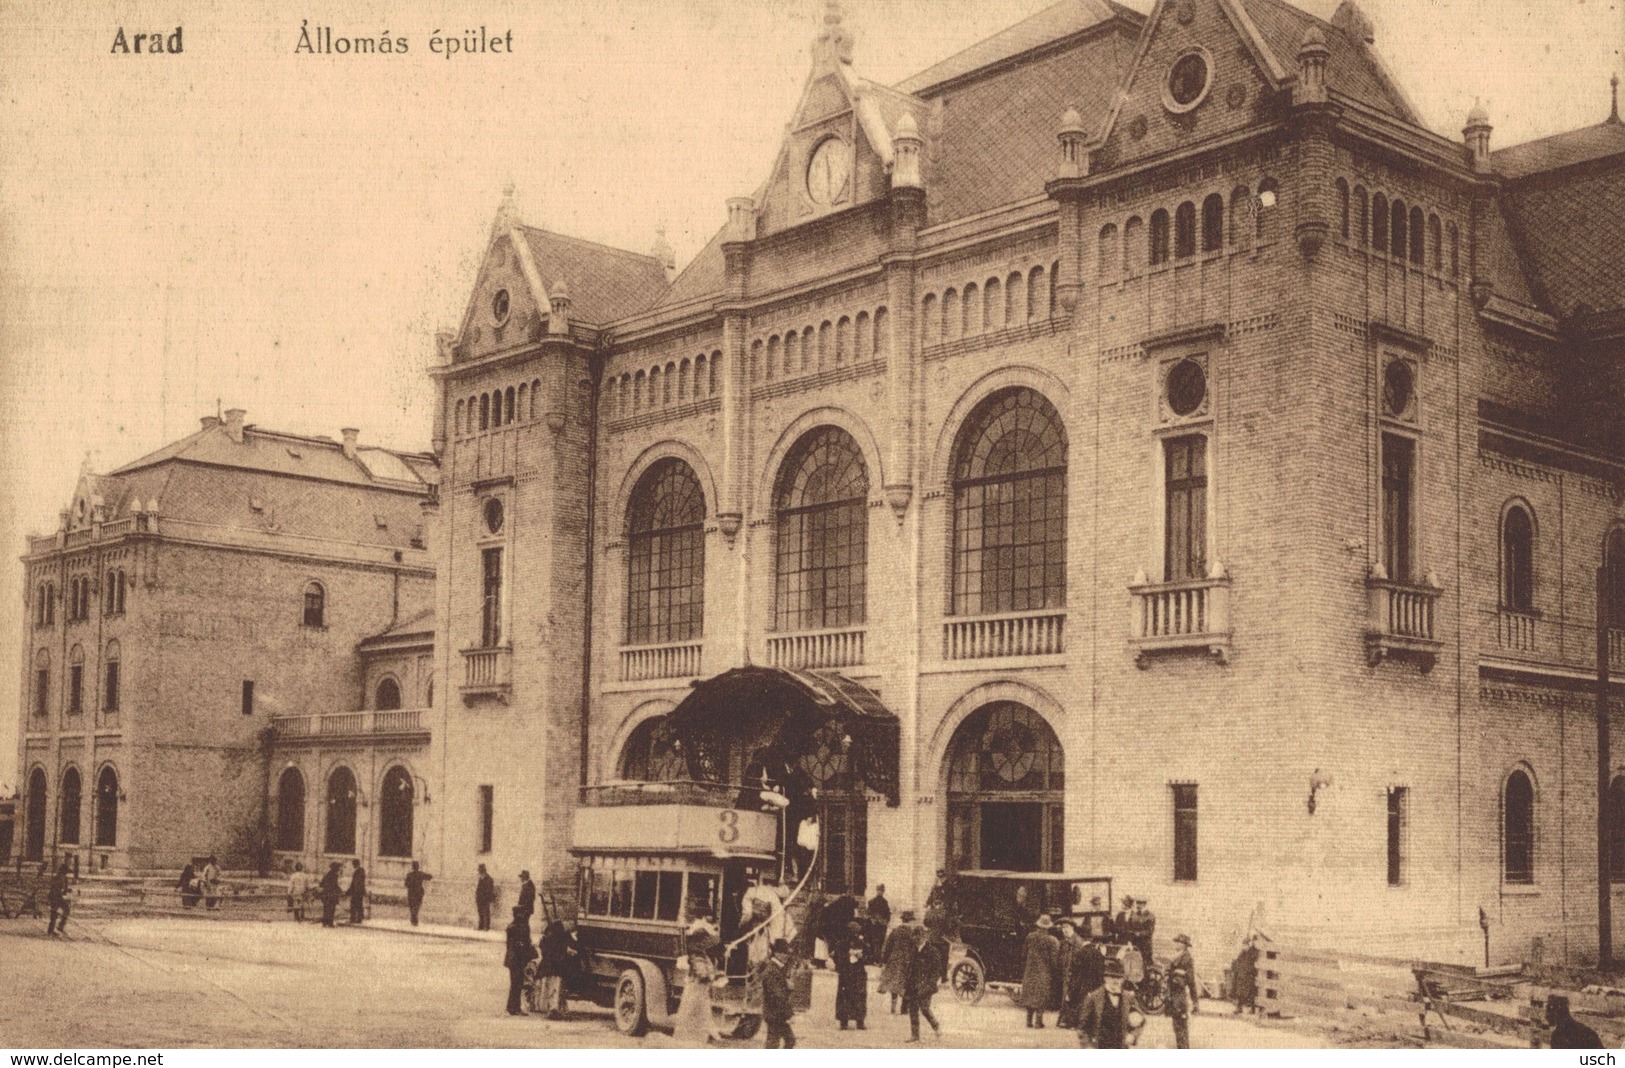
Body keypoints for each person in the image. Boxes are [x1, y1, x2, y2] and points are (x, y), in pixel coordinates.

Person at [671, 915, 719, 1045]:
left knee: (696, 1012)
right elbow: (702, 974)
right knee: (693, 1011)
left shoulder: (698, 954)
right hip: (697, 988)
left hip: (698, 988)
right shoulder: (696, 955)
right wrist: (711, 977)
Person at [1078, 957, 1146, 1049]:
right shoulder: (1093, 998)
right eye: (1112, 977)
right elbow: (1082, 1027)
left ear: (1123, 979)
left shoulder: (1128, 998)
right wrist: (1087, 1046)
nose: (1116, 981)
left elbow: (1141, 1021)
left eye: (1119, 978)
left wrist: (1133, 1035)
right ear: (1105, 978)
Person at [1018, 913, 1060, 1028]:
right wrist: (1055, 971)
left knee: (1030, 995)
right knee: (1041, 996)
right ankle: (1038, 1022)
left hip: (1030, 971)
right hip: (1043, 972)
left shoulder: (1030, 936)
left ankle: (1028, 1021)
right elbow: (1053, 960)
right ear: (1048, 927)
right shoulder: (1051, 940)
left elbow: (1024, 953)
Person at [905, 923, 943, 1042]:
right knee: (913, 1009)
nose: (916, 940)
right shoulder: (913, 949)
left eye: (918, 938)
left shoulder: (932, 951)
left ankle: (936, 1025)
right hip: (913, 984)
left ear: (923, 937)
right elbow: (910, 967)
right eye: (914, 938)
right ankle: (915, 1035)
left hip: (927, 984)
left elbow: (937, 971)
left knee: (925, 1008)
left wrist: (931, 983)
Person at [536, 918, 578, 1021]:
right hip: (555, 968)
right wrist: (567, 950)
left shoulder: (548, 938)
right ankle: (554, 1010)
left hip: (551, 968)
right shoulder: (558, 937)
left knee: (553, 988)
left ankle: (553, 1009)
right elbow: (562, 947)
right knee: (556, 988)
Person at [878, 909, 917, 1014]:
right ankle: (904, 1008)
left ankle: (893, 1006)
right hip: (908, 961)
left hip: (895, 960)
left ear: (902, 920)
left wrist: (884, 961)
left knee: (895, 984)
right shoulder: (912, 933)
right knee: (907, 984)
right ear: (911, 921)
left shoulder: (895, 931)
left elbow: (887, 947)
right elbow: (916, 948)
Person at [761, 938, 797, 1049]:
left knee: (788, 1040)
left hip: (777, 1013)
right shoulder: (772, 970)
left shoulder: (777, 968)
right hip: (774, 1013)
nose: (786, 956)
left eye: (787, 953)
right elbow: (776, 995)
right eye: (784, 953)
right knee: (774, 1044)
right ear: (776, 953)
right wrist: (788, 1013)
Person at [1167, 933, 1200, 1049]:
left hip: (1180, 997)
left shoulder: (1187, 958)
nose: (1175, 944)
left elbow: (1191, 982)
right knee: (1177, 1028)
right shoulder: (1177, 956)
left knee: (1181, 1028)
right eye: (1175, 942)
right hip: (1174, 995)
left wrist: (1195, 1002)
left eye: (1178, 942)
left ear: (1184, 945)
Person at [835, 920, 868, 1030]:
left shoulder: (862, 944)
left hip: (857, 973)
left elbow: (869, 957)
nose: (855, 935)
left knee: (859, 996)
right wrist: (848, 956)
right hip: (847, 973)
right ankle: (845, 1021)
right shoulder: (841, 944)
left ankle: (859, 1020)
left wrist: (861, 956)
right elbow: (838, 959)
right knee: (847, 997)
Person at [504, 906, 537, 1016]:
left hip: (515, 959)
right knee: (516, 984)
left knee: (516, 984)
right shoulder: (515, 928)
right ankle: (513, 1008)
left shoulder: (514, 926)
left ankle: (513, 1007)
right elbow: (518, 945)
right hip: (515, 960)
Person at [1055, 919, 1081, 1028]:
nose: (1064, 930)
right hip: (1065, 972)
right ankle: (1064, 1020)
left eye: (1066, 927)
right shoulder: (1065, 941)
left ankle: (1068, 1021)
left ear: (1072, 928)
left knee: (1070, 996)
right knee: (1065, 995)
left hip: (1073, 973)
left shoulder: (1077, 941)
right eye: (1062, 928)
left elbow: (1078, 960)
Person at [1232, 934, 1260, 1015]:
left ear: (1249, 945)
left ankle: (1252, 1008)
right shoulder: (1243, 952)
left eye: (1245, 945)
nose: (1244, 947)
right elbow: (1238, 961)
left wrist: (1245, 970)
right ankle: (1239, 1007)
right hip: (1243, 975)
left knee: (1250, 989)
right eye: (1243, 945)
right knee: (1239, 985)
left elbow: (1252, 964)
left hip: (1250, 975)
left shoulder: (1253, 952)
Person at [45, 859, 71, 936]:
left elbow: (61, 889)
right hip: (55, 897)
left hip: (57, 897)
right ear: (64, 872)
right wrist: (63, 895)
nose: (66, 874)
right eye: (66, 872)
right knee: (54, 913)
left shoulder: (61, 877)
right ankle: (51, 931)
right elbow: (56, 889)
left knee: (66, 909)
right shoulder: (59, 878)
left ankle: (59, 927)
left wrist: (67, 890)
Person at [1129, 897, 1156, 967]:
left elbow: (1150, 931)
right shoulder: (1134, 915)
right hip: (1135, 943)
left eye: (1140, 903)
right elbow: (1131, 927)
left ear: (1144, 904)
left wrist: (1140, 934)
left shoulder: (1150, 916)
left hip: (1145, 944)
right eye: (1137, 903)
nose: (1138, 905)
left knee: (1145, 963)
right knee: (1136, 962)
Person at [404, 862, 432, 926]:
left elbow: (406, 884)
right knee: (417, 906)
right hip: (419, 893)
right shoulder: (421, 874)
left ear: (412, 867)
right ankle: (414, 920)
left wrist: (411, 885)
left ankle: (414, 920)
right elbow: (429, 877)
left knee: (412, 907)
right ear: (418, 867)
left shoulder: (409, 875)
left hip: (411, 893)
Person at [318, 861, 343, 927]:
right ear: (335, 868)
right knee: (331, 909)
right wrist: (340, 891)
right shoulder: (334, 875)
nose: (339, 869)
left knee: (326, 908)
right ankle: (330, 923)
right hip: (331, 894)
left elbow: (321, 884)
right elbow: (335, 885)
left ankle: (325, 922)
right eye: (338, 867)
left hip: (325, 894)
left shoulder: (327, 874)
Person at [475, 864, 496, 930]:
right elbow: (478, 889)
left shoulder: (489, 879)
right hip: (479, 899)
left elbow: (489, 890)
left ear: (483, 871)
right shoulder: (481, 878)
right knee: (480, 912)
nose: (479, 873)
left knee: (486, 913)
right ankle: (481, 926)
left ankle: (487, 927)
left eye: (480, 871)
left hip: (485, 899)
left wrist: (487, 898)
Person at [347, 859, 367, 924]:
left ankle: (354, 919)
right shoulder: (360, 870)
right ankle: (358, 919)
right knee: (359, 905)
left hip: (357, 892)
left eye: (353, 864)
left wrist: (352, 891)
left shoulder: (359, 871)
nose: (353, 865)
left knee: (354, 905)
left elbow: (356, 883)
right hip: (359, 891)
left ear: (355, 864)